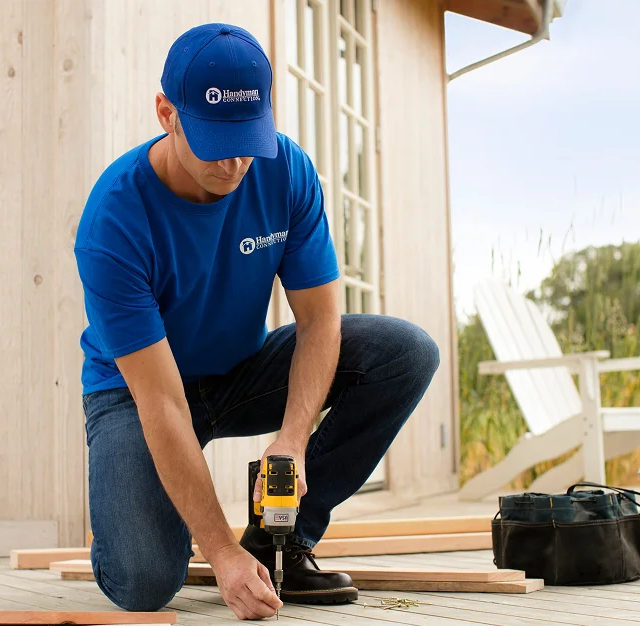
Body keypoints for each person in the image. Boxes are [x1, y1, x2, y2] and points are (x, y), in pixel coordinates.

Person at [75, 22, 440, 620]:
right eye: (217, 142)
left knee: (405, 353)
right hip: (137, 394)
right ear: (167, 114)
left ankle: (280, 540)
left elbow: (320, 321)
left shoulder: (285, 170)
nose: (235, 163)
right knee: (144, 582)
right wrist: (219, 553)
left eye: (248, 139)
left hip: (241, 371)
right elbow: (162, 402)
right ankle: (133, 518)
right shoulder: (113, 222)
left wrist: (293, 438)